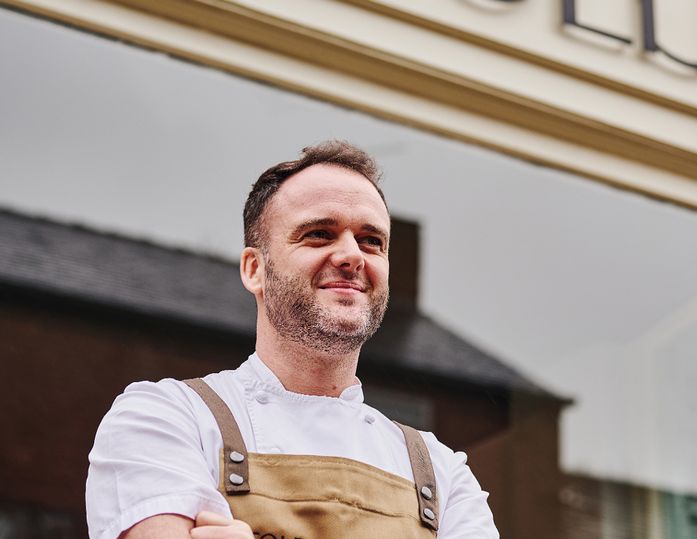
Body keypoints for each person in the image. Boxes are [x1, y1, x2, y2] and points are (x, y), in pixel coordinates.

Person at [86, 140, 498, 538]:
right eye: (319, 233)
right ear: (254, 269)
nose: (352, 255)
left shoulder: (443, 475)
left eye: (372, 241)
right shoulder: (164, 419)